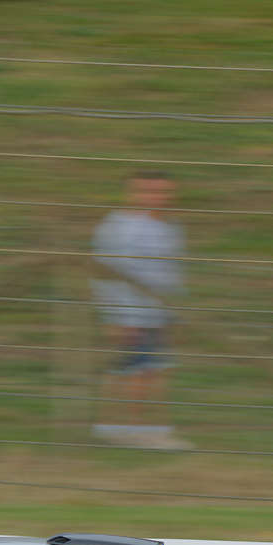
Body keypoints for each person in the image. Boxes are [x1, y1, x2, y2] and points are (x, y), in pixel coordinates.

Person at [91, 172, 188, 451]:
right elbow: (105, 271)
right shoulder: (121, 228)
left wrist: (177, 309)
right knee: (138, 371)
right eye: (150, 191)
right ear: (134, 192)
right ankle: (136, 431)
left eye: (164, 192)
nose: (158, 198)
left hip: (161, 311)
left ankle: (124, 428)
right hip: (133, 312)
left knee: (150, 370)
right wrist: (116, 316)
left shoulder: (169, 227)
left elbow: (173, 270)